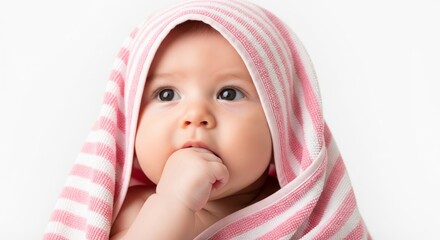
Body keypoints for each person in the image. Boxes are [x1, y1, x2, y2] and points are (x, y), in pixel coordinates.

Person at [44, 1, 370, 239]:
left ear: (281, 120)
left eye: (229, 94)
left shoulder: (308, 214)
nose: (195, 116)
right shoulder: (133, 211)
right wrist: (173, 202)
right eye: (167, 94)